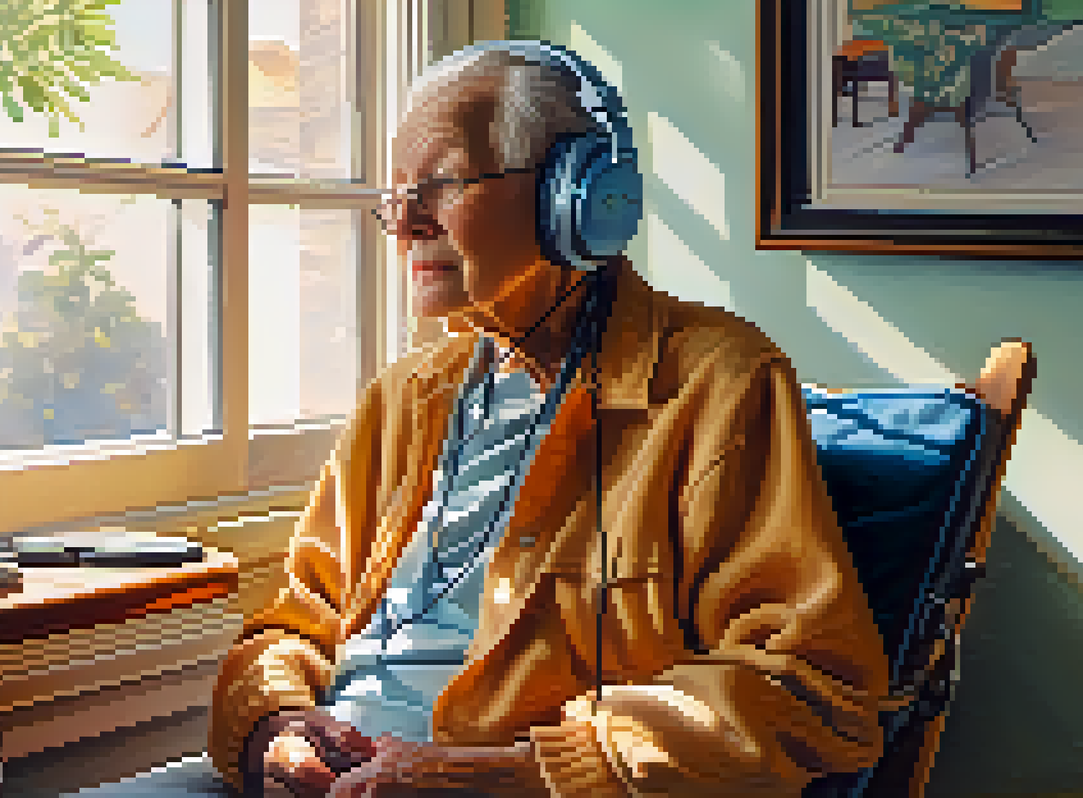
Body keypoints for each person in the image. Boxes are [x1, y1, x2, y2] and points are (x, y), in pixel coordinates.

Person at [210, 41, 890, 798]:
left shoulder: (718, 383)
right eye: (394, 195)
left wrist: (516, 775)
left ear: (575, 198)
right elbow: (296, 624)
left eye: (439, 186)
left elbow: (811, 689)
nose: (402, 225)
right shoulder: (400, 399)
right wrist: (274, 726)